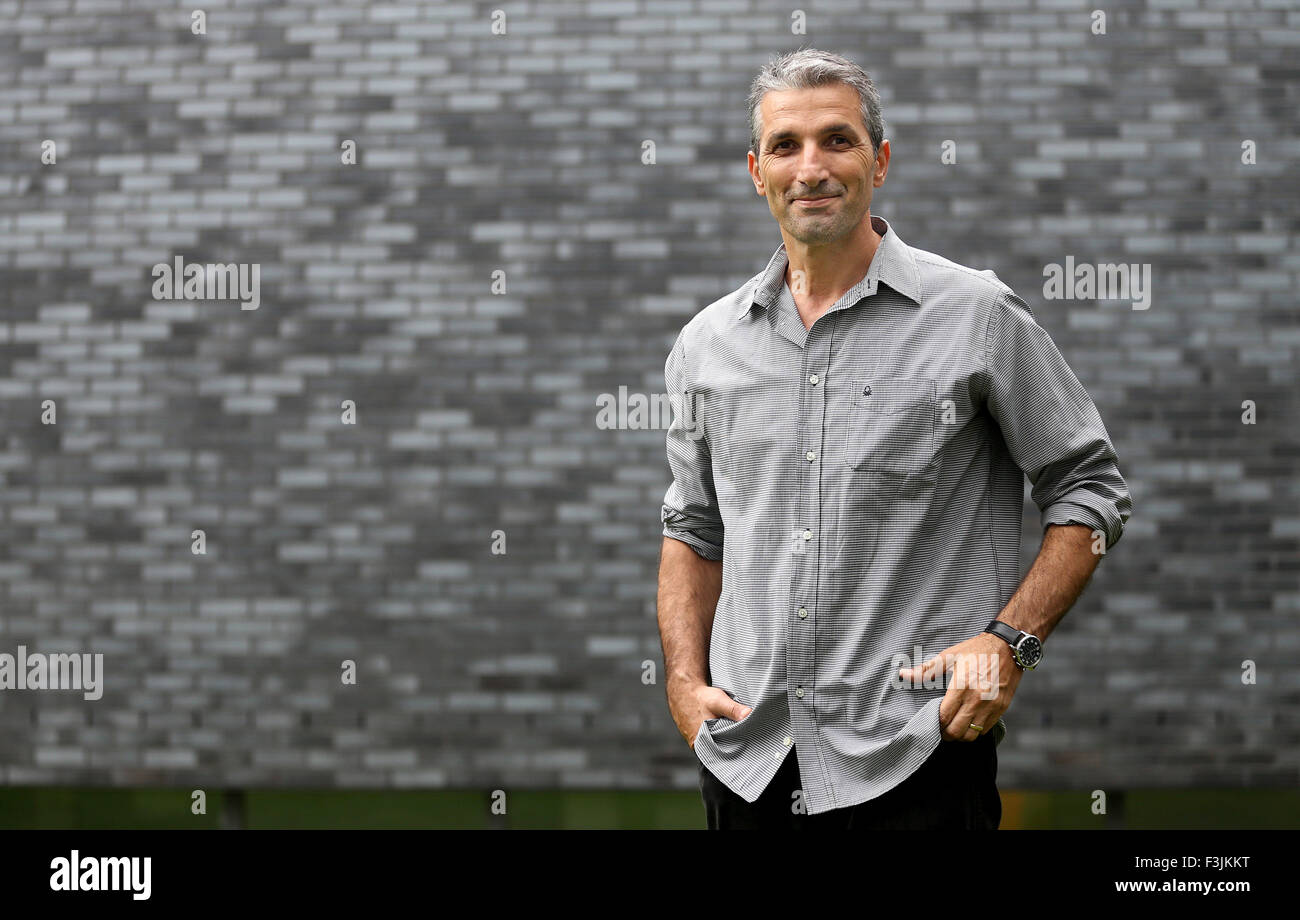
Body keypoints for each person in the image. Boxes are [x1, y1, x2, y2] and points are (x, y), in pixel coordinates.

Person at [656, 48, 1132, 830]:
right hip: (751, 763)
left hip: (917, 757)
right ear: (756, 171)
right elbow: (692, 527)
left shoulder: (976, 315)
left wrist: (1012, 644)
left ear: (879, 161)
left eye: (837, 140)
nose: (812, 167)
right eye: (786, 146)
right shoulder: (708, 344)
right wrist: (681, 679)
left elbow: (1089, 485)